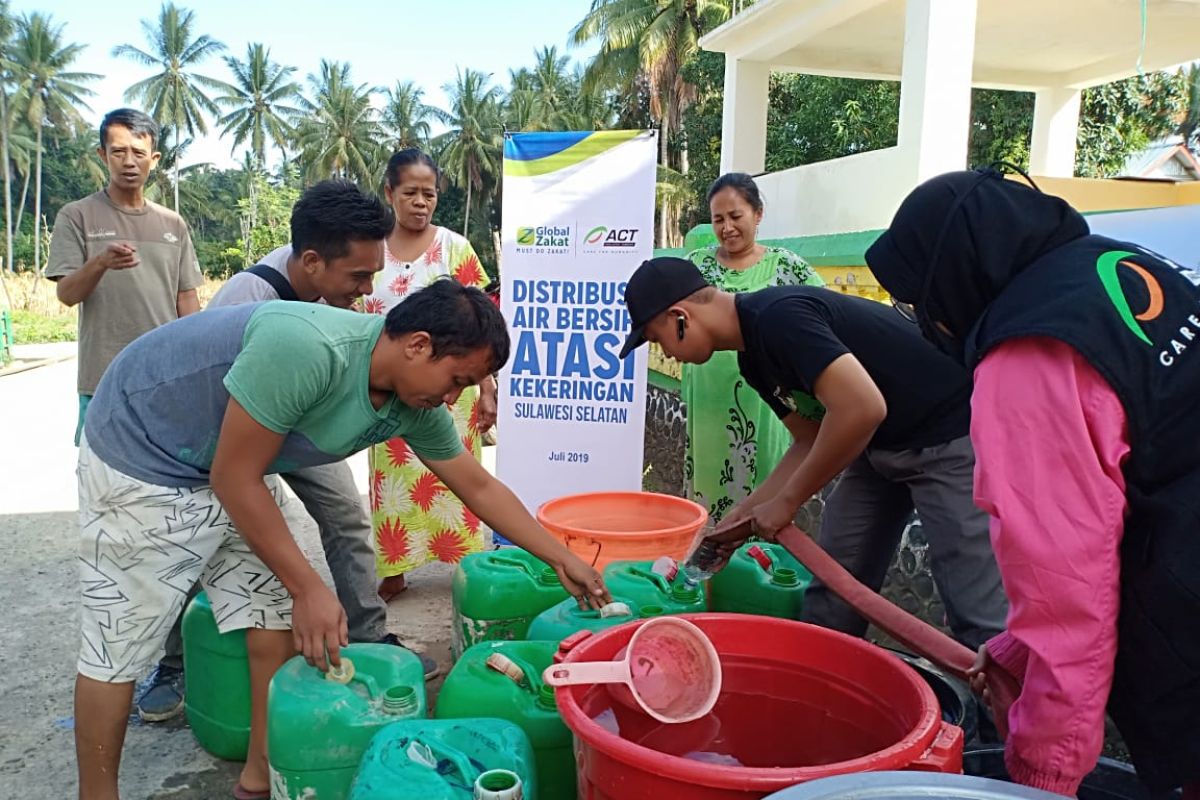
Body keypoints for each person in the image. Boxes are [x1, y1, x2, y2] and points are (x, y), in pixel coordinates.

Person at [73, 278, 611, 800]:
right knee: (117, 644)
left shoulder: (413, 401)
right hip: (143, 454)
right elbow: (234, 478)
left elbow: (476, 483)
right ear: (419, 346)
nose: (453, 399)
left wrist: (561, 557)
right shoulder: (309, 349)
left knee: (269, 616)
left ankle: (262, 773)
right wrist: (311, 587)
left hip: (225, 464)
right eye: (455, 381)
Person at [866, 168, 1200, 797]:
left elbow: (1067, 595)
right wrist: (1018, 649)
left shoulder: (1029, 357)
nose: (920, 318)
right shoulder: (1114, 266)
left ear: (953, 275)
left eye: (916, 299)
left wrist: (1041, 774)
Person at [618, 257, 1007, 651]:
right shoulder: (753, 357)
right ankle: (820, 685)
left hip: (948, 436)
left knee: (975, 610)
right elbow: (808, 437)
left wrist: (786, 502)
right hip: (880, 446)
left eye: (657, 339)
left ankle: (1009, 706)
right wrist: (743, 516)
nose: (668, 354)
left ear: (679, 317)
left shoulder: (779, 318)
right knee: (835, 588)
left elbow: (862, 408)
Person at [363, 149, 498, 600]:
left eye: (429, 194)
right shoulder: (370, 251)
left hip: (449, 395)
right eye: (410, 193)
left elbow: (481, 326)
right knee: (392, 487)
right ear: (389, 193)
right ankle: (395, 569)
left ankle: (463, 564)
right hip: (386, 393)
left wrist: (486, 388)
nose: (421, 202)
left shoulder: (455, 248)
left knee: (457, 476)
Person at [47, 108, 203, 446]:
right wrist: (100, 262)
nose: (128, 161)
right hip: (102, 377)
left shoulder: (172, 224)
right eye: (118, 151)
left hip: (165, 376)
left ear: (155, 159)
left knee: (167, 477)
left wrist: (196, 364)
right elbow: (67, 294)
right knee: (102, 475)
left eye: (138, 153)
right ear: (102, 155)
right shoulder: (77, 216)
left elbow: (187, 299)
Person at [683, 173, 824, 522]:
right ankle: (710, 566)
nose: (727, 227)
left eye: (735, 216)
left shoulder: (786, 266)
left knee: (765, 486)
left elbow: (824, 316)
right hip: (707, 403)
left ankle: (760, 565)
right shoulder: (695, 266)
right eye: (718, 219)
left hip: (767, 401)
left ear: (757, 214)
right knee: (708, 492)